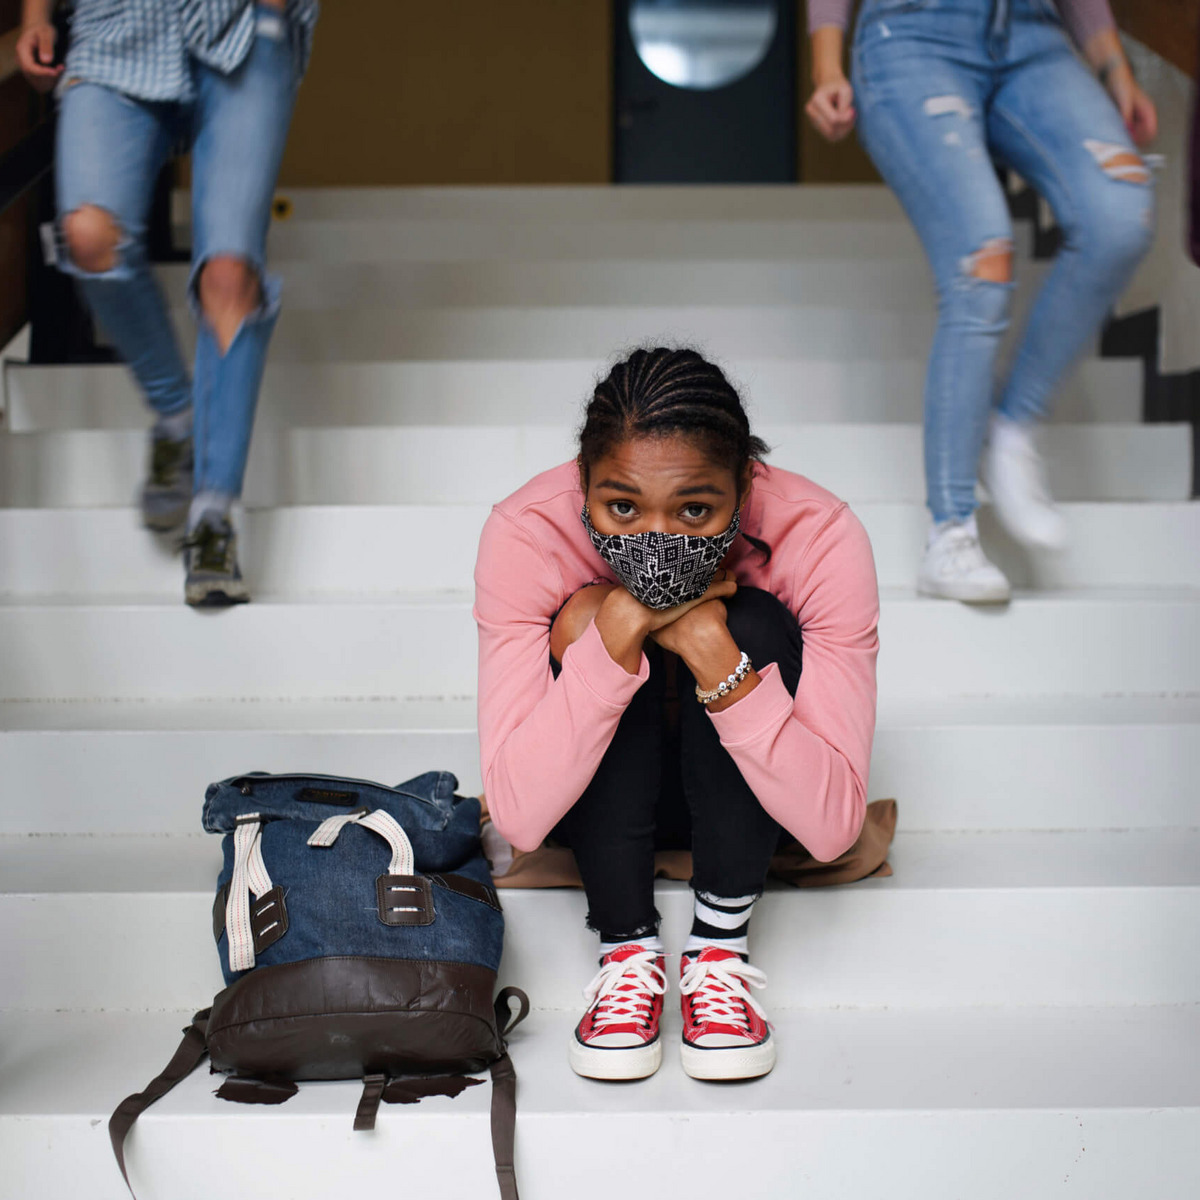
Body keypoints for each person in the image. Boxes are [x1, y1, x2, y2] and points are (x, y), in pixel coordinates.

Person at [474, 348, 879, 1082]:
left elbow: (829, 829)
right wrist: (616, 629)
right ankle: (625, 949)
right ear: (582, 482)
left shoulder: (819, 535)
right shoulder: (528, 530)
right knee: (585, 616)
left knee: (751, 623)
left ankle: (719, 948)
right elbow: (521, 819)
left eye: (696, 509)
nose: (656, 537)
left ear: (746, 485)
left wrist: (716, 654)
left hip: (753, 802)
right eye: (621, 507)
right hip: (592, 802)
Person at [806, 0, 1157, 603]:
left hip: (1034, 37)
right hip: (911, 34)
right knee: (981, 254)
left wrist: (1115, 67)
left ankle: (1012, 424)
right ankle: (950, 532)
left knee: (1120, 213)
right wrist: (827, 63)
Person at [16, 0, 319, 606]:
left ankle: (212, 516)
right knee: (88, 234)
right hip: (116, 24)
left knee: (229, 272)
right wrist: (34, 16)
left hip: (243, 25)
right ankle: (178, 416)